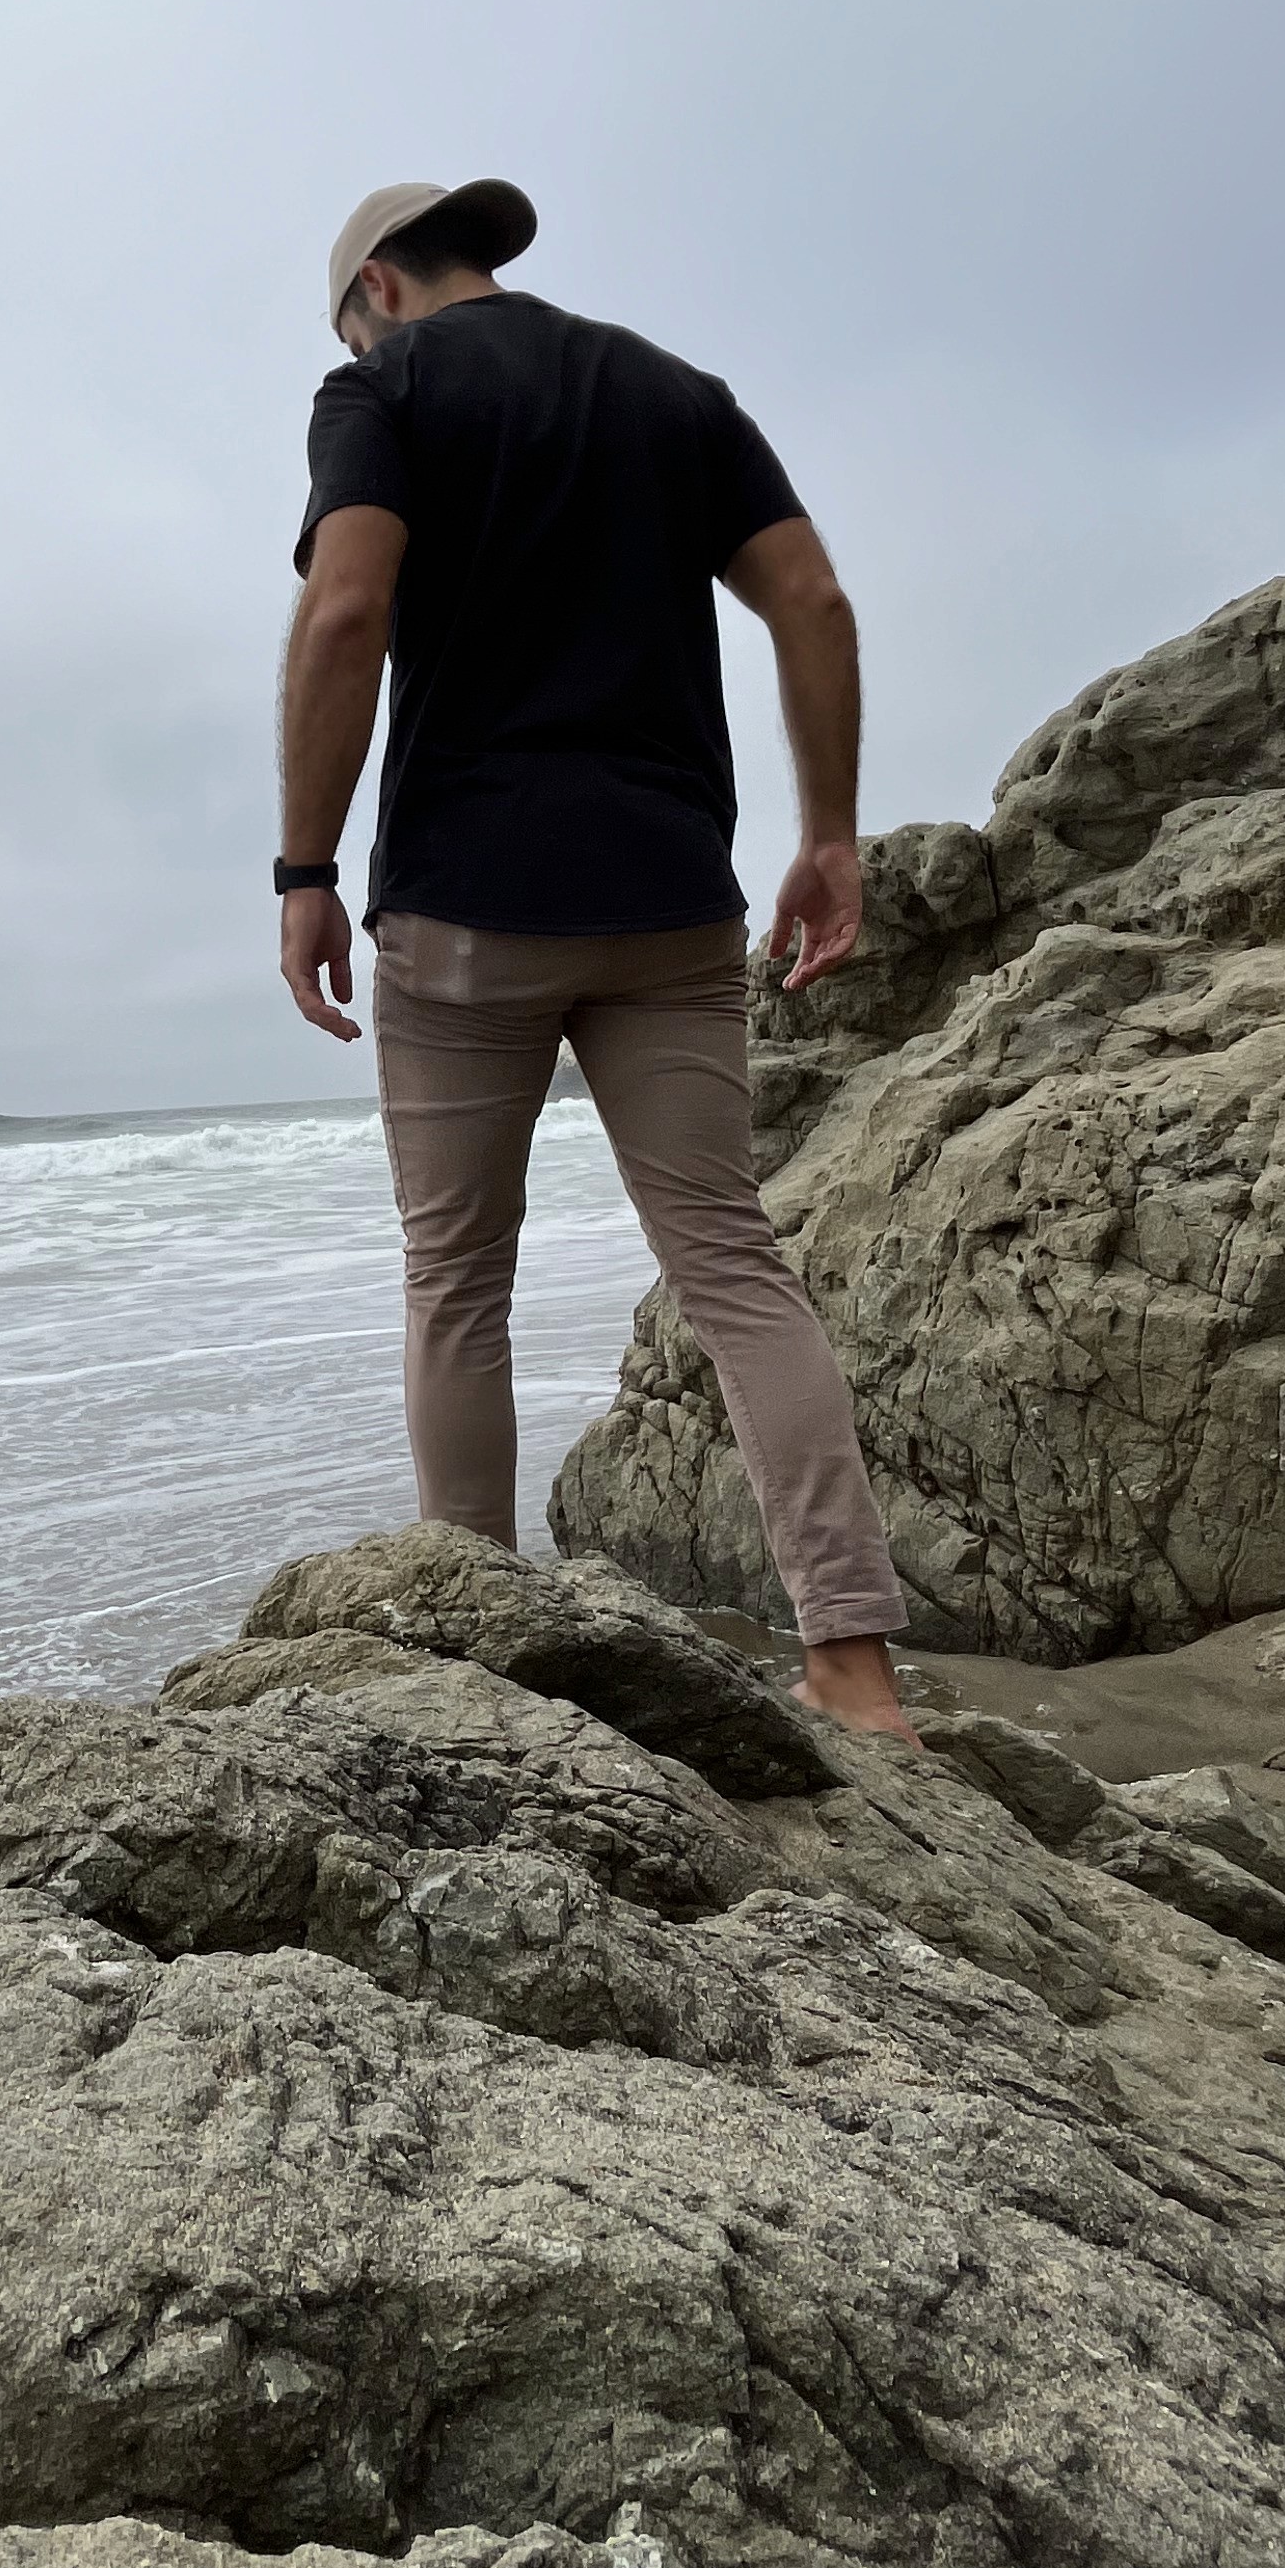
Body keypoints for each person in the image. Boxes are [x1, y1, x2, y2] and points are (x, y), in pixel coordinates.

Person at [276, 176, 915, 1737]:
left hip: (467, 905)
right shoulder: (675, 394)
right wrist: (829, 832)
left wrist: (303, 868)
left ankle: (478, 1659)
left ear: (377, 286)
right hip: (669, 901)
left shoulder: (379, 390)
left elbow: (347, 613)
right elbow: (812, 600)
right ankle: (855, 1666)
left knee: (456, 1282)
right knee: (730, 1261)